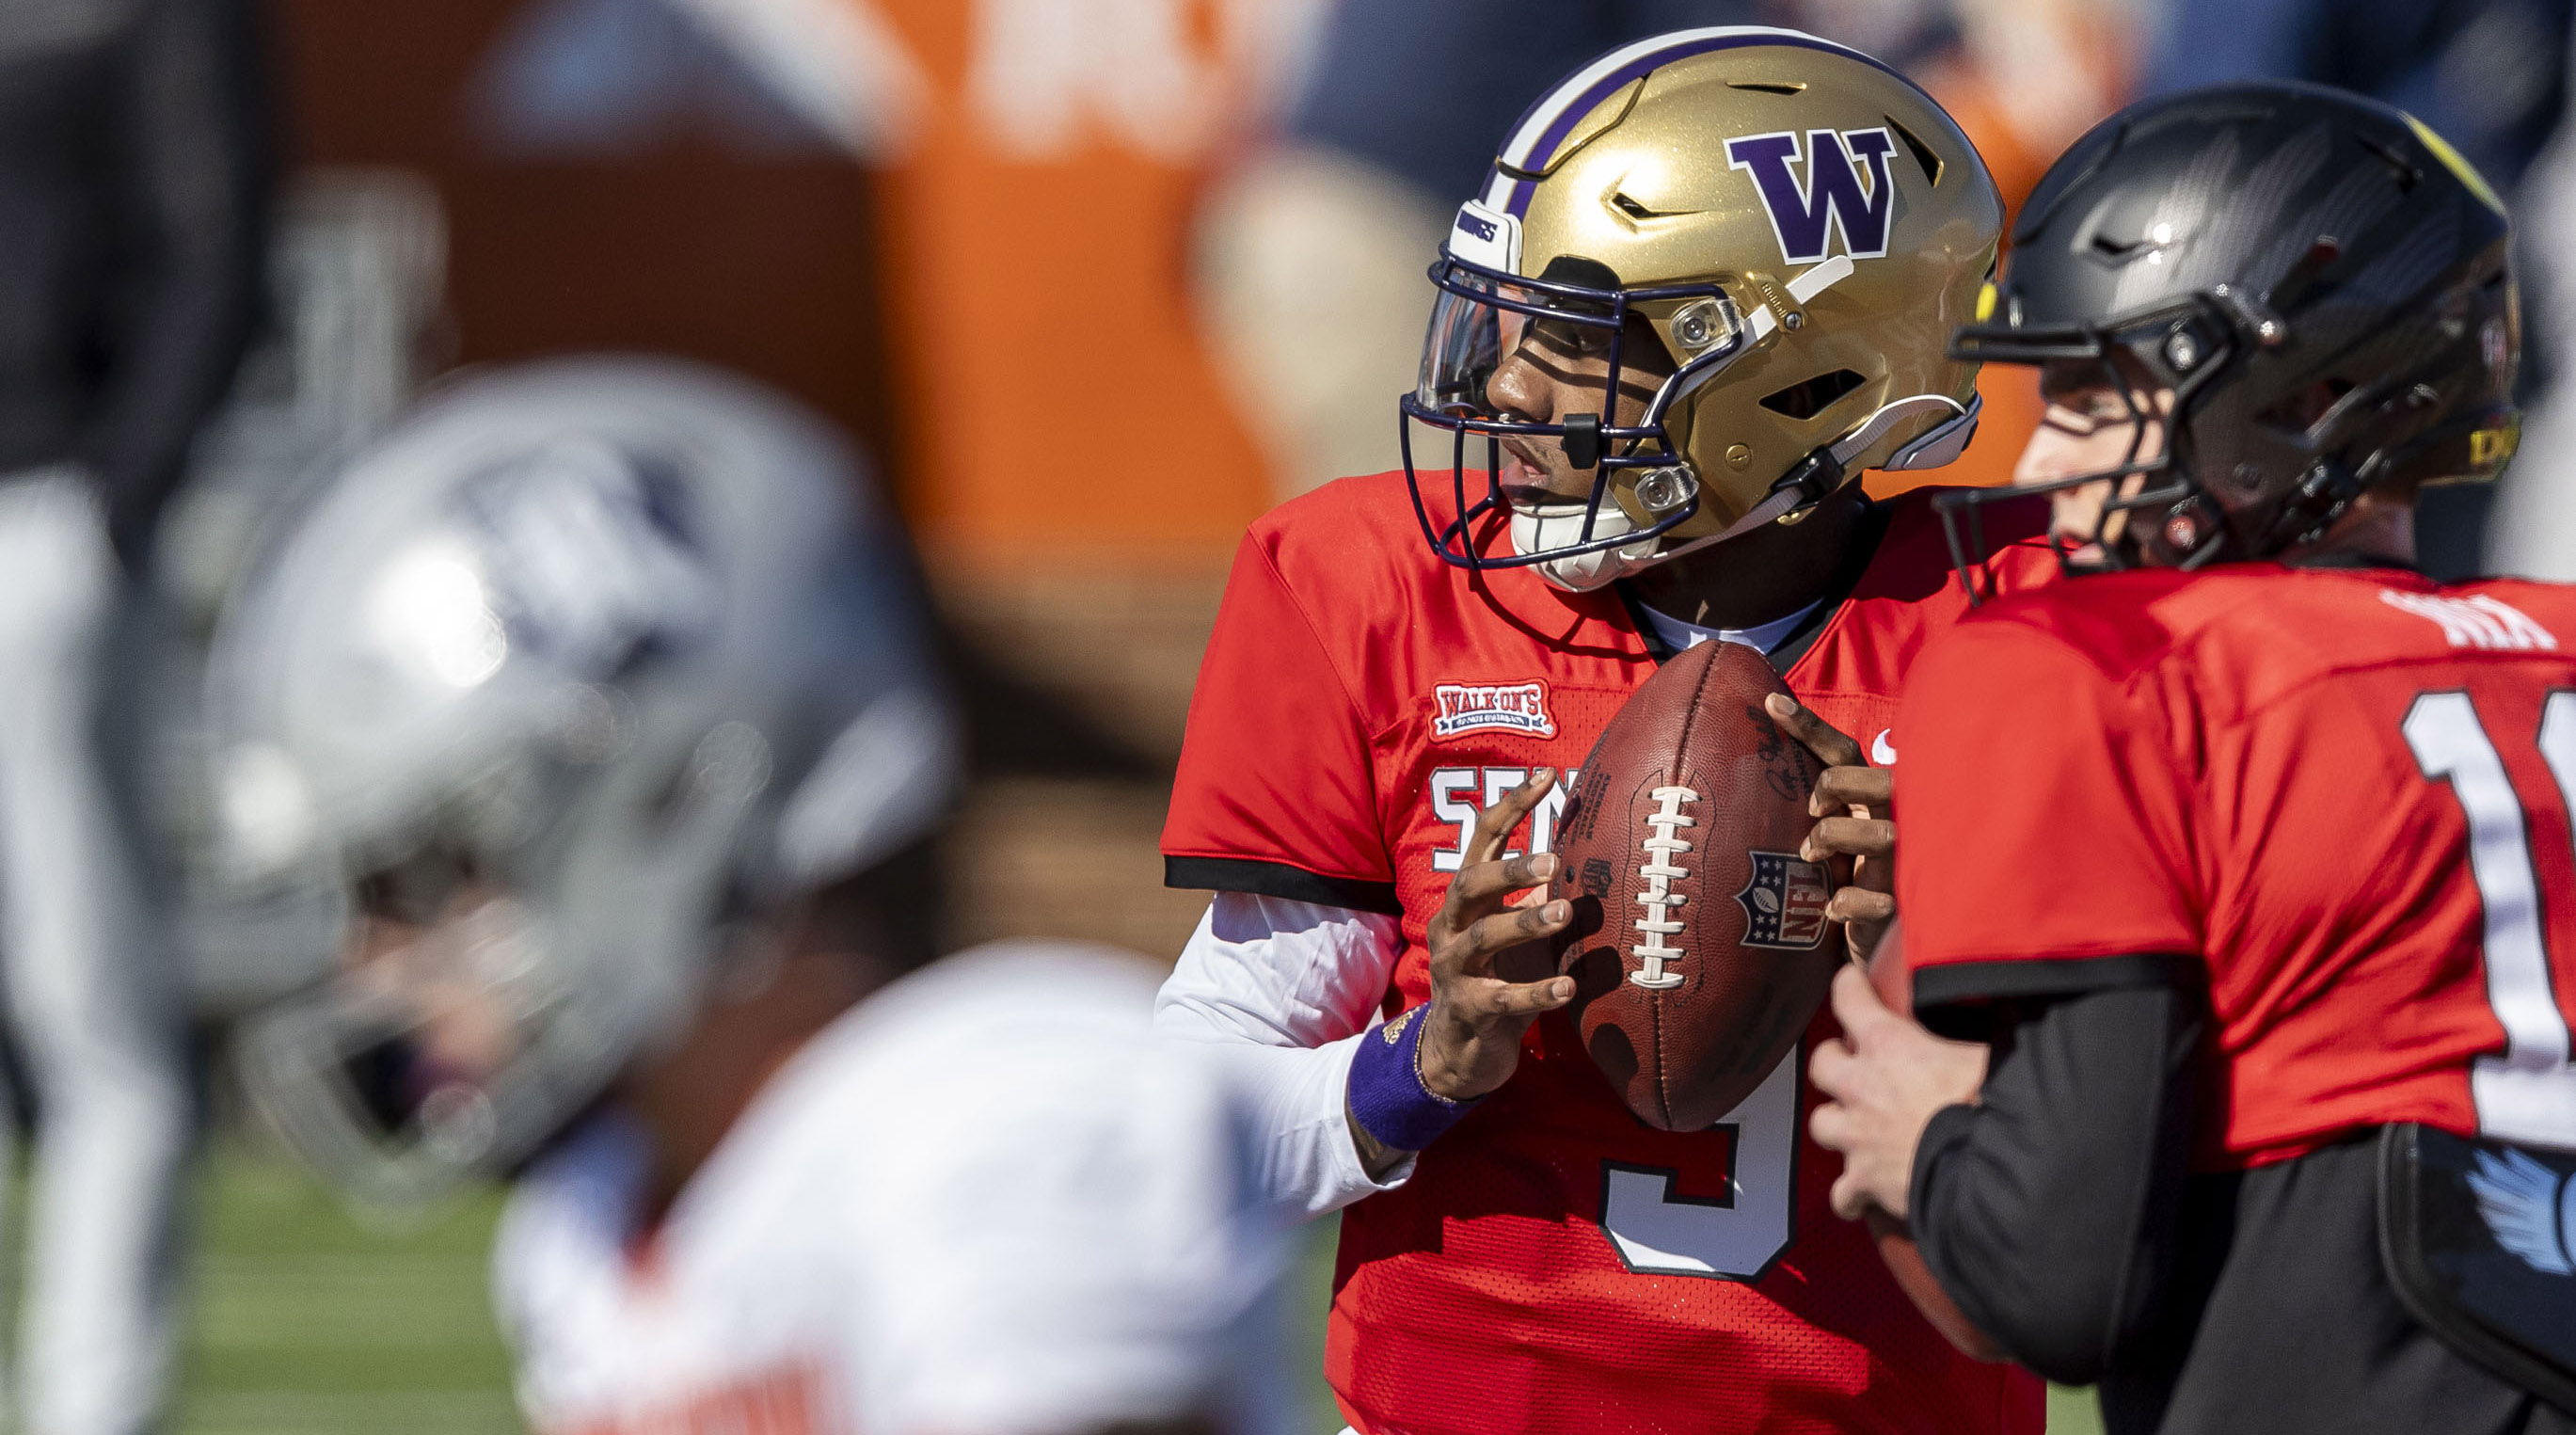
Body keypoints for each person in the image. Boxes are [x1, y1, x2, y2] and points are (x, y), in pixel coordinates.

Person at [1156, 26, 2062, 1433]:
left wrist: (1953, 948)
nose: (1504, 389)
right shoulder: (1370, 589)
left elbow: (2167, 1156)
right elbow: (1179, 1137)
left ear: (1799, 384)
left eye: (1577, 340)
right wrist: (1421, 1062)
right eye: (1509, 324)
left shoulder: (2026, 632)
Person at [212, 358, 1290, 1435]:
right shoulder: (592, 1227)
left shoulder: (1004, 1119)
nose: (374, 959)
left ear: (670, 792)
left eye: (425, 873)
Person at [1807, 82, 2576, 1434]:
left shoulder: (2091, 663)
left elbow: (2053, 1283)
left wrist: (1927, 1139)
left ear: (2312, 395)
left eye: (2099, 395)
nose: (2046, 452)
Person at [0, 1, 270, 1431]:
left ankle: (86, 1409)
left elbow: (222, 237)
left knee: (88, 1012)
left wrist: (115, 505)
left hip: (46, 518)